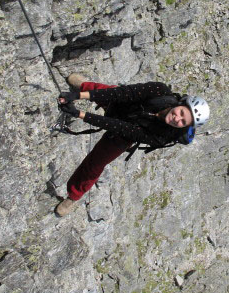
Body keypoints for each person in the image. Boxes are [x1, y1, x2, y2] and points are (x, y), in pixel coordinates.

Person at [55, 73, 210, 216]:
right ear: (180, 103)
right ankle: (84, 87)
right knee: (107, 91)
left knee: (96, 163)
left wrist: (79, 114)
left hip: (123, 134)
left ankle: (73, 196)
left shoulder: (162, 136)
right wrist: (79, 96)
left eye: (183, 122)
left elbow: (121, 127)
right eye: (181, 113)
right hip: (123, 104)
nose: (177, 119)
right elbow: (122, 94)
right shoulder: (159, 90)